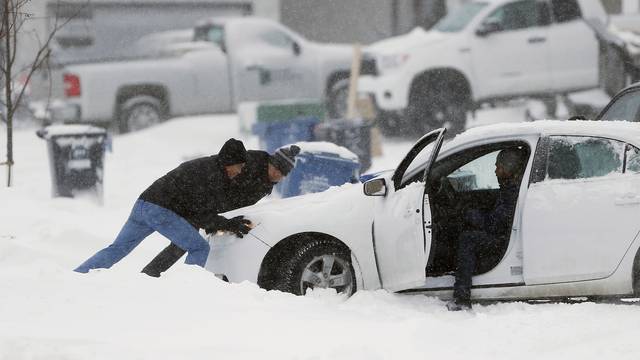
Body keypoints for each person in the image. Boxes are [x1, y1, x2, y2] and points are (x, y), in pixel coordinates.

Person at [74, 138, 254, 273]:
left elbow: (199, 209)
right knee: (199, 247)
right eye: (239, 166)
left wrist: (222, 222)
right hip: (160, 210)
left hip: (144, 204)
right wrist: (227, 224)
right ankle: (187, 289)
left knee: (118, 248)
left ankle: (78, 276)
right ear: (229, 162)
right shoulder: (211, 175)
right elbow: (199, 212)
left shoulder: (207, 167)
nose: (239, 171)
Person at [140, 144, 302, 277]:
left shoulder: (266, 180)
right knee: (186, 244)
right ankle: (154, 276)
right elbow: (223, 183)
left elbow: (241, 201)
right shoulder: (250, 164)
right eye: (277, 171)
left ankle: (154, 275)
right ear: (271, 163)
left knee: (188, 244)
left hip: (214, 209)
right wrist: (216, 219)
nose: (278, 176)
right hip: (201, 202)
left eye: (283, 175)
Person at [447, 147, 528, 311]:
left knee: (467, 238)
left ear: (509, 169)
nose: (496, 171)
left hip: (502, 240)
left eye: (499, 167)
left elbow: (493, 225)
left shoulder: (511, 192)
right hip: (502, 234)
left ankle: (462, 296)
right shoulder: (509, 186)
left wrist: (471, 215)